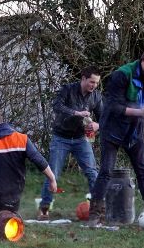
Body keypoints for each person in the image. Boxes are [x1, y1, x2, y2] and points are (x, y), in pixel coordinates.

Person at [88, 46, 144, 229]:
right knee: (106, 171)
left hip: (135, 132)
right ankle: (95, 215)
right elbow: (112, 106)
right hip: (112, 130)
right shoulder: (121, 75)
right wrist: (139, 111)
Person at [38, 66, 103, 220]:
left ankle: (97, 209)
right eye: (91, 82)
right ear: (83, 78)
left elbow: (104, 117)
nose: (94, 85)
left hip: (82, 139)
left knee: (92, 172)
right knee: (53, 173)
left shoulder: (96, 96)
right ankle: (44, 209)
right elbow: (57, 106)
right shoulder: (67, 89)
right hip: (61, 138)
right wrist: (76, 113)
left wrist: (97, 125)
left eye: (96, 83)